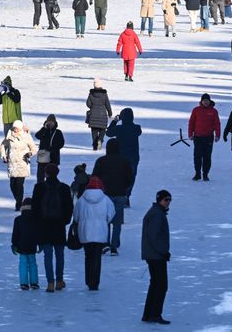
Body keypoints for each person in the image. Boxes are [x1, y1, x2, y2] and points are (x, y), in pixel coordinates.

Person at [32, 162, 74, 292]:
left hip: (44, 226)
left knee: (47, 255)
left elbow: (35, 208)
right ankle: (59, 281)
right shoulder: (64, 188)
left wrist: (38, 223)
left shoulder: (39, 188)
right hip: (59, 226)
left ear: (46, 173)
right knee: (60, 254)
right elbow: (69, 208)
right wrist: (65, 221)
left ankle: (50, 282)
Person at [93, 139, 134, 255]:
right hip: (120, 194)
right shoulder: (124, 161)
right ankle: (114, 246)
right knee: (117, 222)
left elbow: (95, 177)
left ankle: (105, 243)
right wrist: (125, 188)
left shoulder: (101, 161)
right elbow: (130, 178)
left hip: (105, 195)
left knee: (105, 219)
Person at [76, 177, 115, 290]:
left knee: (88, 256)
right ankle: (95, 282)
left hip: (85, 232)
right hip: (100, 231)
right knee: (97, 258)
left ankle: (88, 280)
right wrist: (103, 222)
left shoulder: (82, 199)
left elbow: (76, 215)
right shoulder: (106, 199)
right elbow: (111, 214)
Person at [141, 190, 172, 324]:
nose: (168, 202)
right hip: (156, 255)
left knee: (155, 284)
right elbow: (154, 236)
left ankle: (149, 314)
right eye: (166, 199)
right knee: (161, 285)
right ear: (159, 199)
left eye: (169, 200)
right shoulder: (157, 215)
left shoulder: (157, 212)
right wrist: (163, 251)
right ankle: (155, 314)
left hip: (154, 254)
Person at [0, 121, 38, 210]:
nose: (15, 129)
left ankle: (18, 205)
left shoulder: (26, 137)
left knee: (19, 185)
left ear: (20, 128)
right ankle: (19, 201)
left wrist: (30, 153)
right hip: (12, 164)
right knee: (12, 185)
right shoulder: (10, 136)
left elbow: (34, 148)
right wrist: (3, 155)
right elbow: (3, 145)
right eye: (14, 128)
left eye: (17, 128)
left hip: (22, 164)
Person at [107, 108, 143, 198]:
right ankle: (127, 195)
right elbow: (137, 131)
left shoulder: (119, 129)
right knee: (131, 176)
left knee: (120, 176)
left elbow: (108, 133)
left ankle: (121, 194)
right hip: (133, 157)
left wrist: (115, 121)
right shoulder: (136, 128)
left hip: (121, 157)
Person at [188, 93, 221, 181]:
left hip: (209, 137)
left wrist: (217, 135)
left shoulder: (213, 111)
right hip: (198, 137)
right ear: (201, 101)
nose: (205, 102)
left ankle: (205, 174)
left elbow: (217, 124)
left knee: (207, 156)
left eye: (207, 101)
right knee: (197, 156)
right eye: (204, 100)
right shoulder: (196, 110)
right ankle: (197, 173)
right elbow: (191, 122)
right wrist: (190, 134)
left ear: (209, 101)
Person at [12, 197, 40, 290]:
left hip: (22, 245)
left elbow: (15, 234)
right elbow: (38, 233)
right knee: (33, 263)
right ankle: (34, 282)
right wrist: (40, 243)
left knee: (23, 264)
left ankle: (24, 283)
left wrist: (14, 244)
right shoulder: (36, 219)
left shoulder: (18, 220)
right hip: (32, 245)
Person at [35, 115, 66, 184]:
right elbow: (37, 136)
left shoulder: (58, 132)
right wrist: (44, 128)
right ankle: (40, 191)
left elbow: (61, 143)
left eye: (52, 122)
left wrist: (51, 149)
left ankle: (50, 192)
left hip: (53, 158)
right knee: (40, 177)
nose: (50, 123)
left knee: (51, 178)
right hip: (43, 158)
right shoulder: (44, 130)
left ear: (55, 123)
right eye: (49, 122)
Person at [85, 78, 112, 151]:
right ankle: (100, 140)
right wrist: (110, 113)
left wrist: (92, 106)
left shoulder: (91, 94)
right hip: (102, 115)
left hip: (93, 115)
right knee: (103, 129)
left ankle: (94, 146)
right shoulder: (104, 94)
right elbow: (107, 104)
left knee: (94, 132)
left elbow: (88, 104)